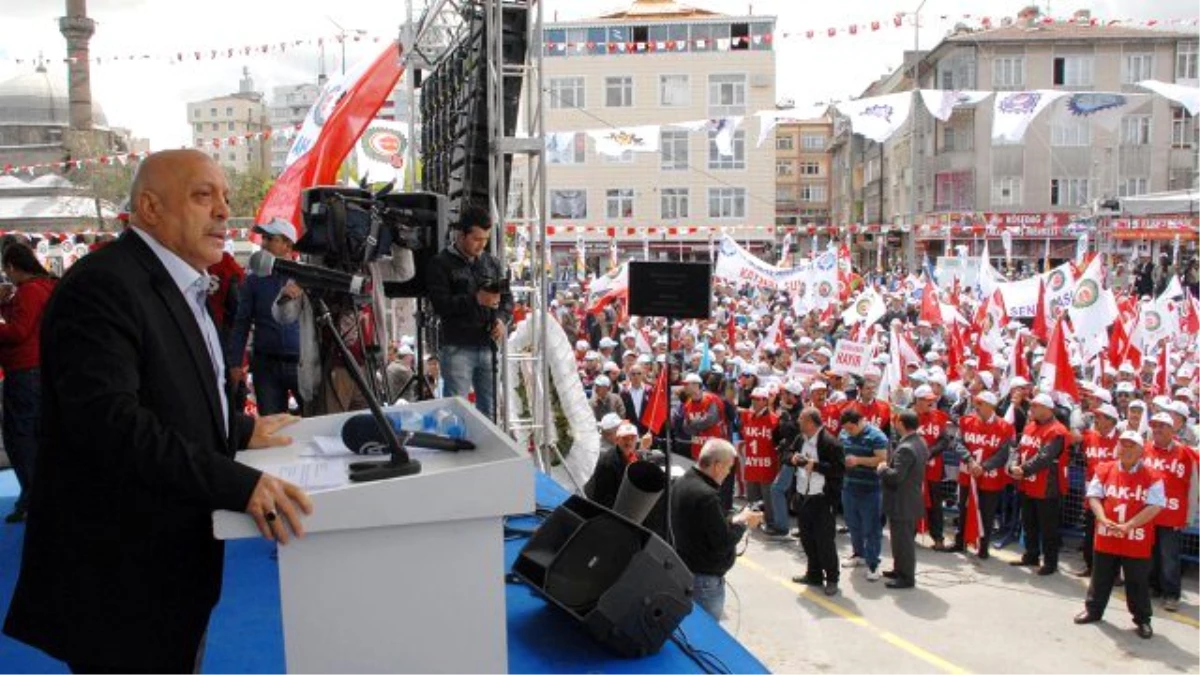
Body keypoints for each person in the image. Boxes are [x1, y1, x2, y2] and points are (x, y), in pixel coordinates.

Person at [3, 149, 312, 673]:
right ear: (149, 207)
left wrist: (238, 430)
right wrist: (237, 482)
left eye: (225, 197)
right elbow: (110, 424)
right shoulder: (104, 286)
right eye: (202, 195)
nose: (223, 210)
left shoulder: (177, 281)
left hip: (168, 570)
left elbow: (169, 394)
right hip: (121, 580)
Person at [1073, 430, 1164, 640]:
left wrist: (1130, 525)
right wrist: (1103, 518)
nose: (1126, 449)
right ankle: (1093, 610)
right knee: (1101, 577)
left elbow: (1155, 506)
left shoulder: (1153, 476)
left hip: (1136, 539)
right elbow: (1094, 496)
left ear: (1141, 451)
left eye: (1132, 446)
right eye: (1123, 444)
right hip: (1107, 535)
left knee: (1137, 581)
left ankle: (1142, 620)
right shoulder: (1104, 469)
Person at [426, 207, 512, 420]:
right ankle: (458, 449)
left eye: (486, 239)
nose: (482, 244)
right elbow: (440, 305)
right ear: (461, 235)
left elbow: (508, 299)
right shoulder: (440, 263)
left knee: (490, 411)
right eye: (476, 238)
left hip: (489, 346)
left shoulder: (491, 263)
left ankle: (489, 452)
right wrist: (476, 299)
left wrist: (502, 320)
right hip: (457, 347)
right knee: (456, 412)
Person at [671, 438, 763, 618]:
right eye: (728, 467)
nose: (729, 473)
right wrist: (744, 523)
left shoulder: (683, 481)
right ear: (717, 465)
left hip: (685, 570)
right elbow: (723, 541)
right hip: (703, 580)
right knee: (706, 638)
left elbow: (706, 524)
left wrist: (733, 518)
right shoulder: (707, 495)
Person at [0, 243, 56, 524]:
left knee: (19, 436)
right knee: (35, 433)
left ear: (11, 267)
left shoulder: (29, 292)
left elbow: (19, 331)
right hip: (40, 368)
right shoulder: (44, 287)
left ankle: (32, 496)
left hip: (24, 369)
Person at [226, 218, 303, 416]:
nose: (264, 243)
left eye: (270, 238)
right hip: (266, 367)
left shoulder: (306, 278)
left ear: (288, 244)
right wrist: (235, 363)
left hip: (302, 366)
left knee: (312, 421)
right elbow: (241, 323)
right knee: (272, 427)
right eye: (264, 238)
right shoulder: (253, 281)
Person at [1009, 393, 1070, 575]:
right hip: (1027, 484)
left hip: (1047, 487)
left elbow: (1045, 456)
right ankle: (1031, 555)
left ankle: (1050, 563)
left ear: (1048, 409)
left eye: (1036, 406)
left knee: (1048, 526)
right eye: (1032, 406)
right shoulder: (1029, 428)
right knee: (1029, 522)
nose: (1032, 409)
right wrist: (1014, 464)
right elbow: (1018, 449)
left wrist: (1023, 470)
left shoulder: (1057, 431)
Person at [786, 407, 845, 596]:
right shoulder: (800, 439)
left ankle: (832, 578)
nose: (798, 422)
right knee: (807, 539)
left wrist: (816, 466)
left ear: (811, 422)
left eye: (802, 419)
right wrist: (792, 458)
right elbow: (785, 453)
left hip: (822, 498)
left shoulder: (830, 443)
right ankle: (814, 574)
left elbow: (839, 470)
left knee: (824, 541)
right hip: (803, 495)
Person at [1142, 411, 1197, 613]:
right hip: (1148, 512)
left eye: (1161, 426)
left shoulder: (1185, 452)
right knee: (1150, 553)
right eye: (1154, 426)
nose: (1156, 430)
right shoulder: (1145, 449)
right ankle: (1153, 587)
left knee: (1169, 555)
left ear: (1172, 430)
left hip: (1172, 513)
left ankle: (1171, 594)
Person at [951, 391, 1015, 559]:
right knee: (963, 509)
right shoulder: (966, 421)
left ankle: (983, 547)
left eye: (980, 403)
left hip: (990, 479)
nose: (976, 406)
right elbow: (957, 443)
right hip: (968, 474)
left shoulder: (1005, 427)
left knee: (987, 513)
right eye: (976, 403)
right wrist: (970, 461)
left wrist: (983, 467)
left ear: (990, 406)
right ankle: (960, 542)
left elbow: (1003, 454)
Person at [878, 409, 929, 590]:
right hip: (908, 499)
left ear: (901, 423)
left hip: (903, 501)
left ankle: (906, 577)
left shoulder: (906, 447)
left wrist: (883, 469)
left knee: (903, 541)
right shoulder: (919, 441)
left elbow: (896, 476)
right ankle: (899, 569)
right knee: (899, 539)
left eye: (896, 421)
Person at [839, 407, 890, 581]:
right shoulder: (844, 434)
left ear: (860, 422)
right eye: (846, 429)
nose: (848, 432)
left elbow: (882, 459)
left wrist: (858, 460)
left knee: (872, 528)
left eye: (851, 428)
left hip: (871, 489)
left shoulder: (877, 436)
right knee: (853, 524)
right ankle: (858, 554)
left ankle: (873, 563)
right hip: (849, 486)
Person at [1074, 403, 1120, 577]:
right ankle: (1090, 566)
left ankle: (1113, 573)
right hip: (1092, 494)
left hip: (1113, 496)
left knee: (1111, 535)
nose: (1096, 420)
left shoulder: (1121, 441)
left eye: (1100, 417)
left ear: (1110, 421)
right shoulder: (1089, 436)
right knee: (1090, 532)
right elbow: (1072, 435)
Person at [912, 385, 953, 550]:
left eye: (932, 400)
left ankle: (938, 537)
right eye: (927, 400)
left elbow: (944, 441)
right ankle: (911, 533)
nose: (931, 403)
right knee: (913, 501)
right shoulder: (907, 416)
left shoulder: (939, 417)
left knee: (936, 503)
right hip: (913, 468)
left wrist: (929, 453)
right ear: (917, 401)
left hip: (933, 468)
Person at [739, 387, 784, 535]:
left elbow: (779, 443)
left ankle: (770, 523)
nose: (754, 401)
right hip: (752, 462)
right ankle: (754, 520)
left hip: (767, 464)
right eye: (752, 398)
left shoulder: (774, 420)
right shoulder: (747, 417)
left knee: (768, 497)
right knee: (752, 496)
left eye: (758, 399)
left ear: (765, 401)